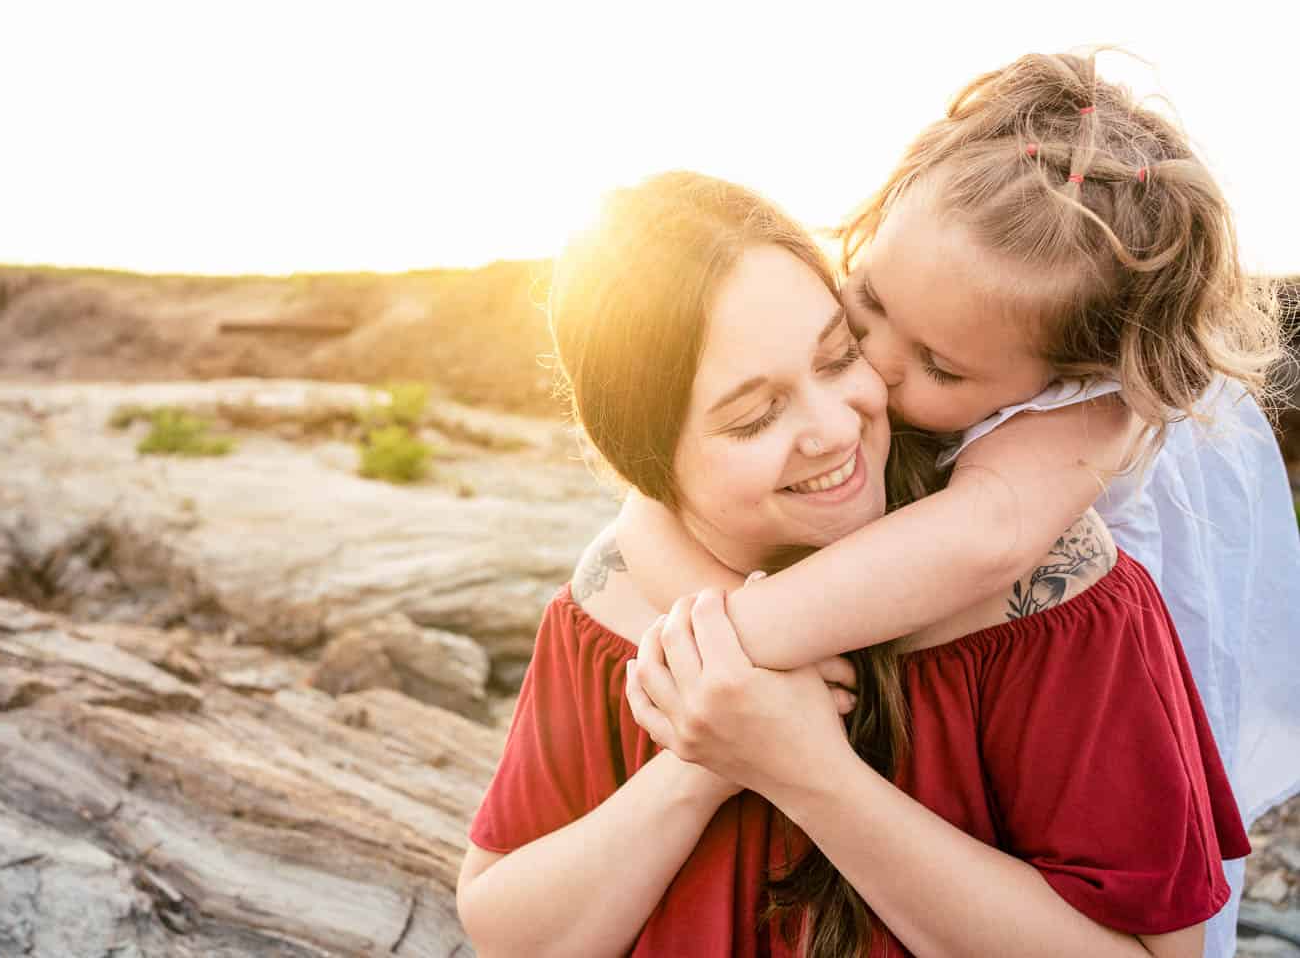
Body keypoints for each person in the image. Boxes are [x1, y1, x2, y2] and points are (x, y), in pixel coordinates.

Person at [456, 170, 1247, 957]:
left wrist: (808, 772)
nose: (834, 429)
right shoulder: (611, 600)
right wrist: (703, 761)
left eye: (838, 359)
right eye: (755, 416)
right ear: (645, 458)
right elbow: (507, 936)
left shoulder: (1053, 594)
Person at [618, 51, 1299, 958]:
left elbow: (981, 542)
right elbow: (642, 519)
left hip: (1090, 711)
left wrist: (728, 653)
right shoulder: (930, 315)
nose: (879, 364)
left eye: (939, 367)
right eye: (865, 303)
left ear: (1077, 370)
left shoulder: (1098, 415)